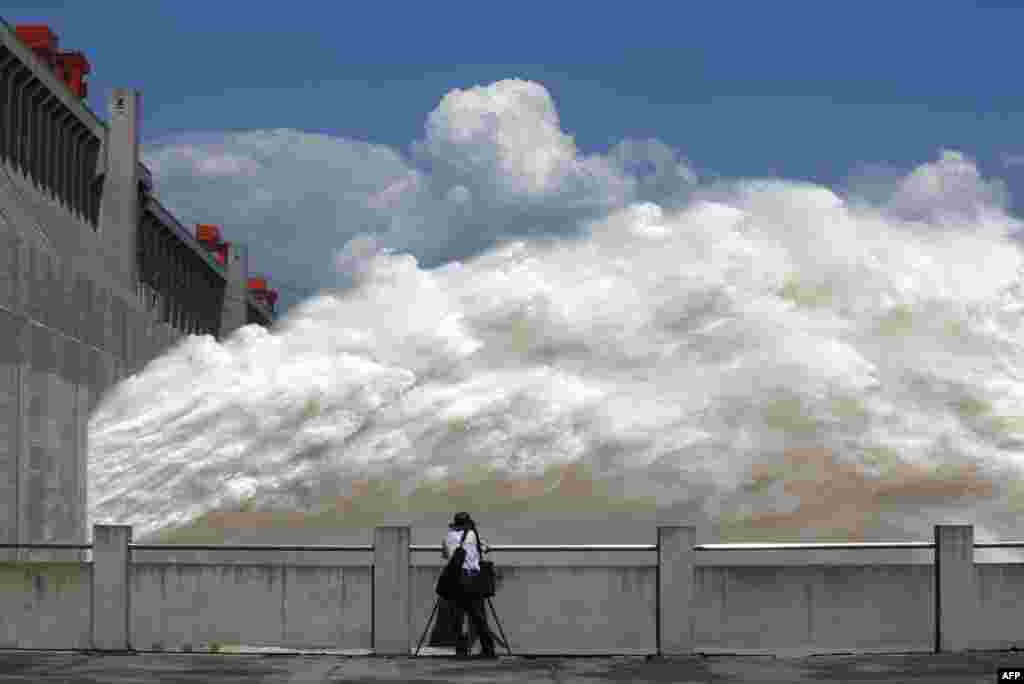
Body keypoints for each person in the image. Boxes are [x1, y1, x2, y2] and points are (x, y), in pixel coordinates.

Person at [441, 511, 497, 659]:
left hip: (458, 580)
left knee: (458, 618)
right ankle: (488, 650)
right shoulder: (473, 535)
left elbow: (447, 555)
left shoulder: (448, 537)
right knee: (479, 617)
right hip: (474, 579)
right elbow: (484, 548)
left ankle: (461, 651)